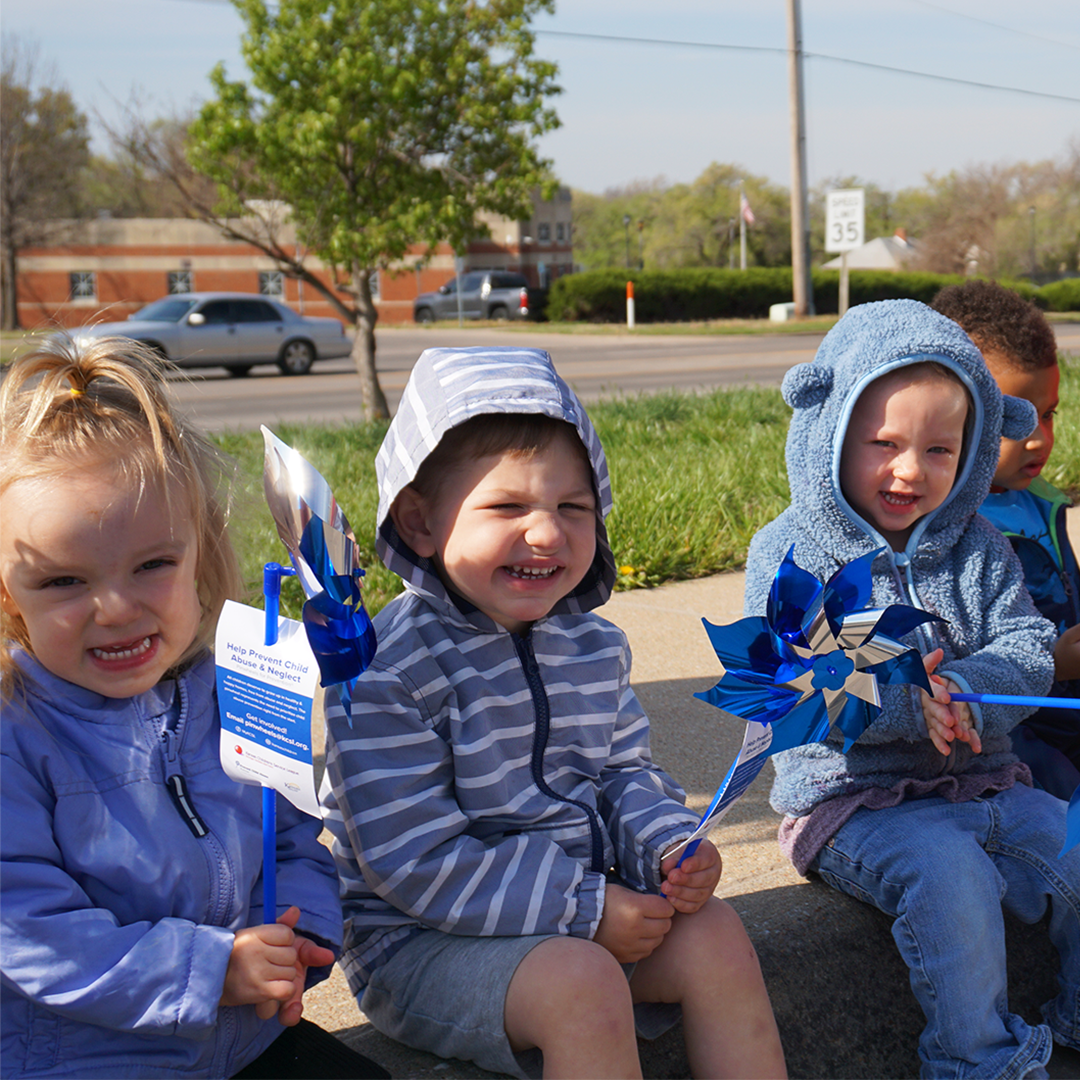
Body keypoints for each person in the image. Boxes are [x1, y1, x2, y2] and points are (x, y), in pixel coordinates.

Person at [321, 346, 788, 1080]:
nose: (546, 534)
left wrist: (667, 849)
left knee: (717, 934)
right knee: (583, 985)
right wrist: (584, 908)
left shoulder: (593, 645)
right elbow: (413, 863)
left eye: (573, 507)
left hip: (572, 909)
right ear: (418, 522)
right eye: (507, 506)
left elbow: (625, 771)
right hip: (419, 942)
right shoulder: (387, 670)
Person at [0, 339, 389, 1080]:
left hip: (242, 1038)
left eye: (153, 565)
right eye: (62, 582)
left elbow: (293, 841)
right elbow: (30, 935)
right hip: (85, 1058)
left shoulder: (231, 687)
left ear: (200, 555)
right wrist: (213, 971)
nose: (114, 609)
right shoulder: (14, 733)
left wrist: (300, 936)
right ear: (7, 594)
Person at [744, 299, 1080, 1080]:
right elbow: (789, 682)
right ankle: (975, 1060)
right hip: (854, 802)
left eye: (939, 449)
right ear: (829, 430)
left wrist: (968, 686)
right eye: (883, 444)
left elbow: (1027, 643)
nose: (909, 470)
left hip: (984, 781)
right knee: (951, 878)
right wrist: (905, 701)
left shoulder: (979, 545)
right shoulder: (791, 551)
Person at [931, 279, 1080, 800]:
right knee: (1058, 788)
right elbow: (953, 663)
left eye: (1049, 412)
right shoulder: (944, 528)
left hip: (1064, 706)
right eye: (1014, 417)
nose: (1039, 436)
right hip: (997, 731)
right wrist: (1053, 663)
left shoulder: (1041, 501)